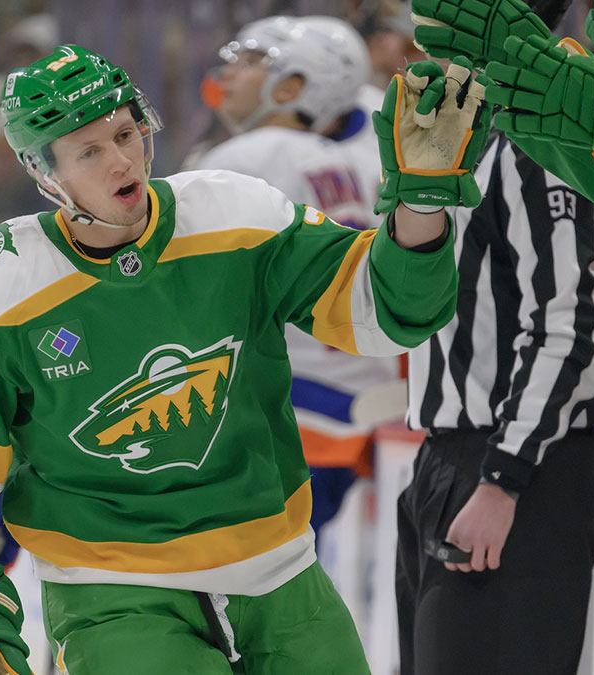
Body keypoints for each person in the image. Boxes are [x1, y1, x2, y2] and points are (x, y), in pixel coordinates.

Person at [0, 43, 486, 673]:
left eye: (125, 133)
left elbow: (387, 311)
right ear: (45, 175)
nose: (121, 160)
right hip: (112, 594)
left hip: (280, 572)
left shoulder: (237, 216)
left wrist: (420, 204)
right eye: (89, 152)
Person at [395, 0, 594, 673]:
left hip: (516, 469)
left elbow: (571, 318)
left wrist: (503, 477)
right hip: (454, 460)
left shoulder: (539, 132)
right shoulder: (470, 126)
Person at [194, 15, 400, 545]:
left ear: (291, 88)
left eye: (252, 60)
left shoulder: (248, 157)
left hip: (283, 412)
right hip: (343, 406)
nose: (231, 72)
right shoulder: (344, 163)